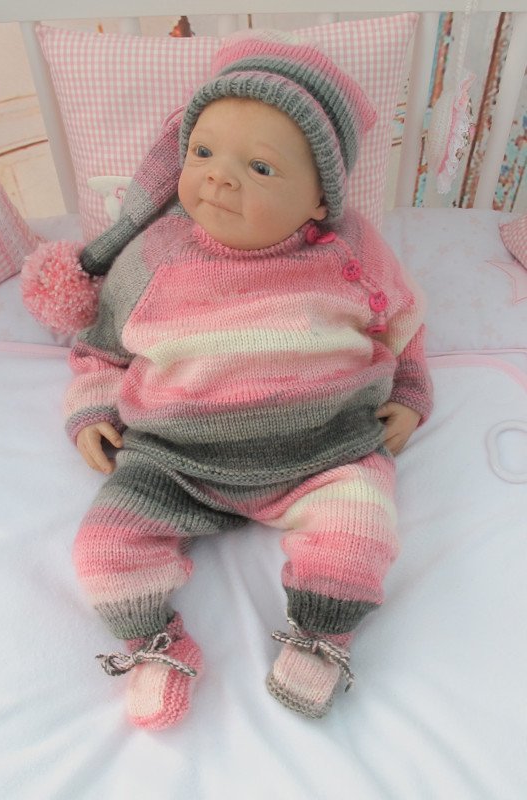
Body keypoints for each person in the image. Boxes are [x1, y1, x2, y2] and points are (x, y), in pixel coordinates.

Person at [64, 32, 433, 729]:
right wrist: (91, 412)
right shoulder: (155, 255)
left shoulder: (352, 251)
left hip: (324, 452)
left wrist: (410, 394)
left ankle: (321, 636)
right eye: (202, 153)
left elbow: (404, 325)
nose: (219, 178)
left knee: (360, 531)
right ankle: (155, 645)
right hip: (174, 460)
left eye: (259, 167)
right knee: (104, 550)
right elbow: (100, 348)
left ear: (320, 199)